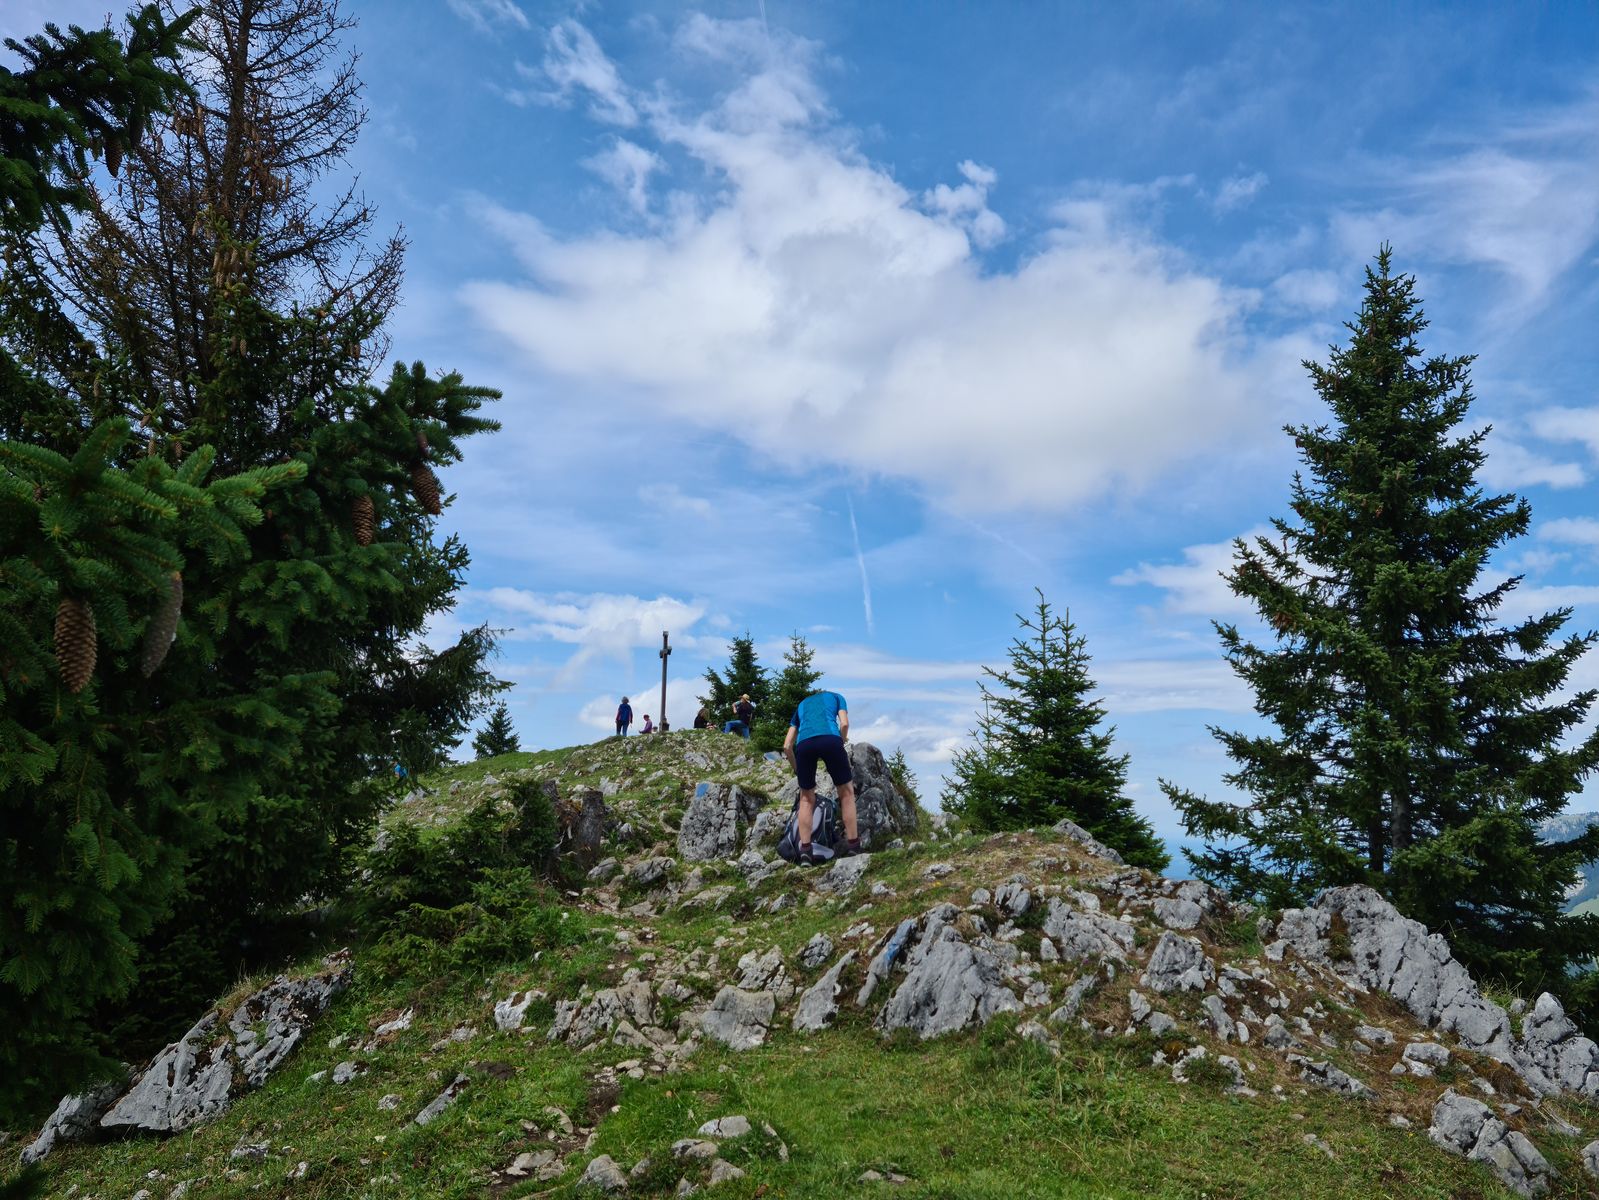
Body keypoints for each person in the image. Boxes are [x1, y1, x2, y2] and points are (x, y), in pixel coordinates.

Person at [781, 689, 861, 865]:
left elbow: (787, 746)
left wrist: (798, 770)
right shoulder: (837, 697)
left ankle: (805, 852)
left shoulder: (802, 705)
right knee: (846, 793)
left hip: (804, 744)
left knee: (806, 799)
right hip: (830, 739)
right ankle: (853, 847)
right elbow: (844, 724)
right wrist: (840, 742)